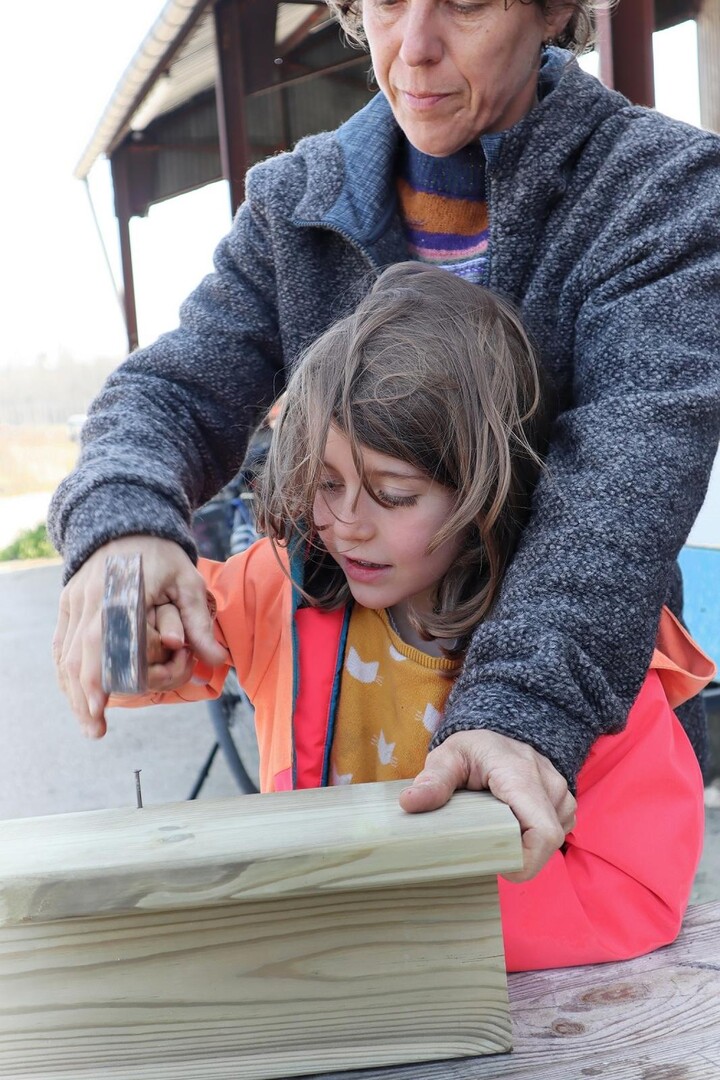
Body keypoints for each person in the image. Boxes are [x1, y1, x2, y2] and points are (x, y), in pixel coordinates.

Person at [50, 0, 720, 881]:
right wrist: (121, 532)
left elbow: (620, 495)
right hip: (341, 791)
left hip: (574, 788)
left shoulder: (660, 191)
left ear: (556, 7)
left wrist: (518, 712)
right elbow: (173, 391)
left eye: (466, 4)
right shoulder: (295, 203)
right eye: (389, 1)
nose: (413, 48)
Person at [116, 264, 714, 971]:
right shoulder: (281, 586)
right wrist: (128, 631)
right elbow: (148, 657)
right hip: (324, 980)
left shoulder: (587, 651)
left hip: (497, 1007)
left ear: (491, 488)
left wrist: (389, 927)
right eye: (325, 482)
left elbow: (633, 892)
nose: (345, 524)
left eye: (394, 494)